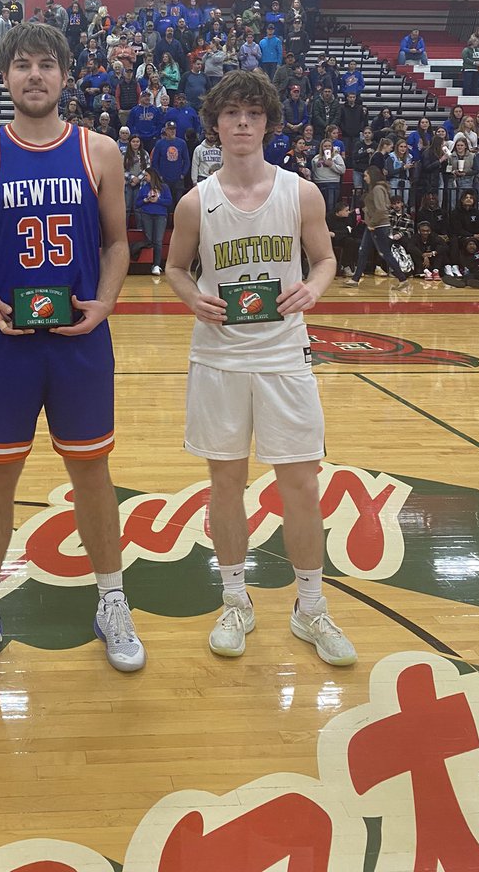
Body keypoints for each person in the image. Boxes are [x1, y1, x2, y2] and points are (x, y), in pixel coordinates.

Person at [0, 22, 146, 681]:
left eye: (46, 64)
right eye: (23, 65)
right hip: (6, 343)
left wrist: (106, 301)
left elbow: (117, 244)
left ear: (65, 75)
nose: (34, 75)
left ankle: (112, 601)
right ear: (5, 77)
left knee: (91, 472)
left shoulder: (99, 151)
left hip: (79, 342)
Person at [164, 70, 356, 667]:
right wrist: (193, 298)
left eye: (253, 113)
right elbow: (175, 269)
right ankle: (234, 600)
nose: (242, 122)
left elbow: (325, 260)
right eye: (231, 113)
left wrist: (314, 289)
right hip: (219, 356)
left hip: (284, 355)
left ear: (268, 122)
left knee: (301, 483)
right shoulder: (195, 202)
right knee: (226, 483)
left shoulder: (301, 193)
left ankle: (310, 607)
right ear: (215, 124)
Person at [344, 141, 411, 289]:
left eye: (366, 175)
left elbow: (381, 209)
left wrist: (372, 223)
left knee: (384, 253)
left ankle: (402, 279)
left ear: (372, 176)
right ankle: (355, 279)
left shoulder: (378, 189)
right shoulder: (375, 188)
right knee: (363, 252)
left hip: (378, 226)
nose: (364, 178)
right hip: (373, 225)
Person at [134, 166, 171, 275]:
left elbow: (169, 201)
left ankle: (156, 265)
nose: (145, 177)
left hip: (160, 215)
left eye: (146, 175)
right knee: (149, 240)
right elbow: (137, 204)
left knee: (158, 241)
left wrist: (157, 200)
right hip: (147, 215)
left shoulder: (164, 187)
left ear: (152, 175)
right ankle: (149, 262)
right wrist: (145, 200)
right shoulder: (144, 188)